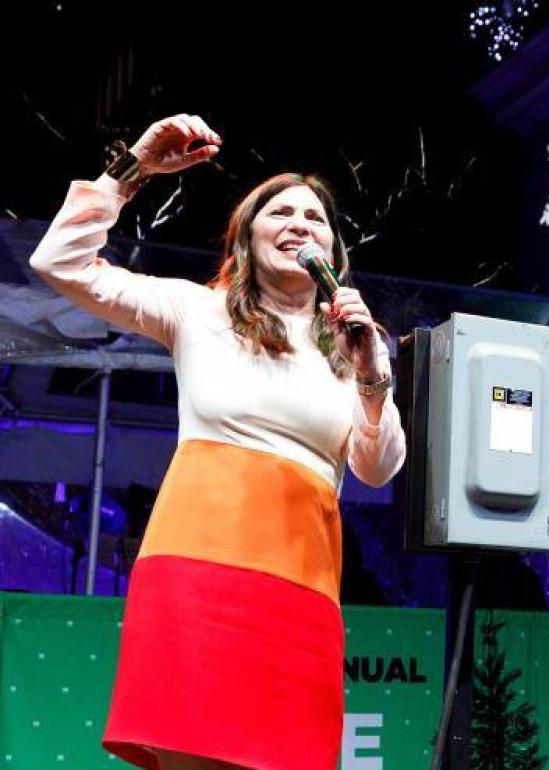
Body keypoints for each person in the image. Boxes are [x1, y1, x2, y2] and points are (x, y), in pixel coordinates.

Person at [29, 114, 407, 770]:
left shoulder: (352, 349)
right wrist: (132, 171)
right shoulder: (197, 312)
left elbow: (377, 470)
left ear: (334, 251)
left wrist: (374, 379)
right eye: (279, 211)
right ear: (246, 235)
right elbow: (58, 263)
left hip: (300, 589)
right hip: (196, 575)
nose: (299, 224)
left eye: (315, 218)